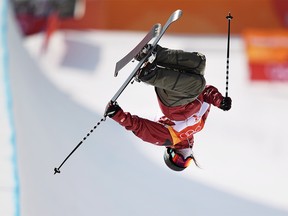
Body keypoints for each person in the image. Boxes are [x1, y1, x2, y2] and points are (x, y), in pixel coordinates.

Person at [105, 44, 232, 171]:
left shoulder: (169, 139)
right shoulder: (200, 125)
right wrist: (220, 101)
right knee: (199, 62)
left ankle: (149, 75)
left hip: (173, 103)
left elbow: (141, 128)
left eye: (177, 160)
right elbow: (206, 92)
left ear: (171, 153)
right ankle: (153, 54)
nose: (184, 158)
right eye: (185, 163)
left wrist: (117, 115)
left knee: (197, 84)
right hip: (184, 90)